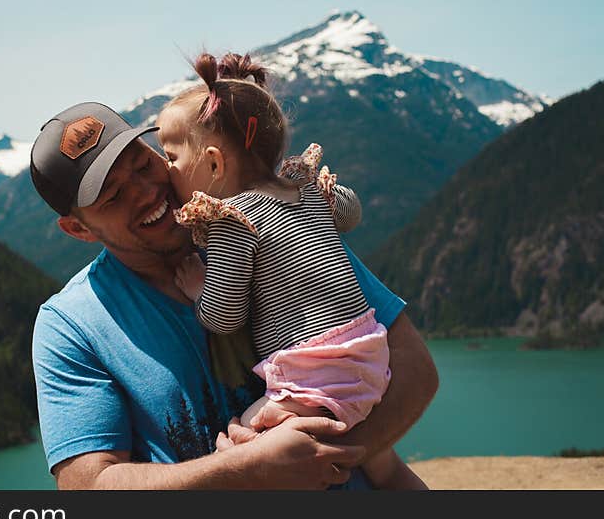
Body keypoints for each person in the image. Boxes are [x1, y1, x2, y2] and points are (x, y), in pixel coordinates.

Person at [30, 99, 438, 489]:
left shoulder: (273, 218)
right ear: (78, 229)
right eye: (114, 196)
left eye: (142, 163)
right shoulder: (69, 326)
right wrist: (250, 472)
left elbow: (415, 369)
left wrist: (325, 458)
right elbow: (90, 485)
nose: (145, 191)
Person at [159, 52, 426, 489]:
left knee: (245, 446)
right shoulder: (305, 191)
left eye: (171, 156)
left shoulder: (233, 220)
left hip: (312, 372)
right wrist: (325, 194)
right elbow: (350, 212)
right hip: (369, 353)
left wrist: (197, 289)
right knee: (384, 466)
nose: (165, 169)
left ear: (213, 162)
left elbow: (225, 316)